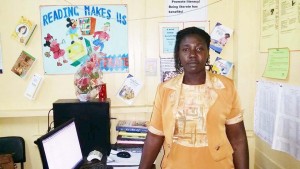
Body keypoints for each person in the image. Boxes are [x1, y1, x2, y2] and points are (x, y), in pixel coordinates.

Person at [139, 27, 249, 169]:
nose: (192, 55)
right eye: (185, 49)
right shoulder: (165, 89)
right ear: (178, 54)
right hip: (176, 165)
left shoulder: (226, 87)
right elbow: (155, 136)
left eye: (199, 49)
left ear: (207, 53)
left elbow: (238, 138)